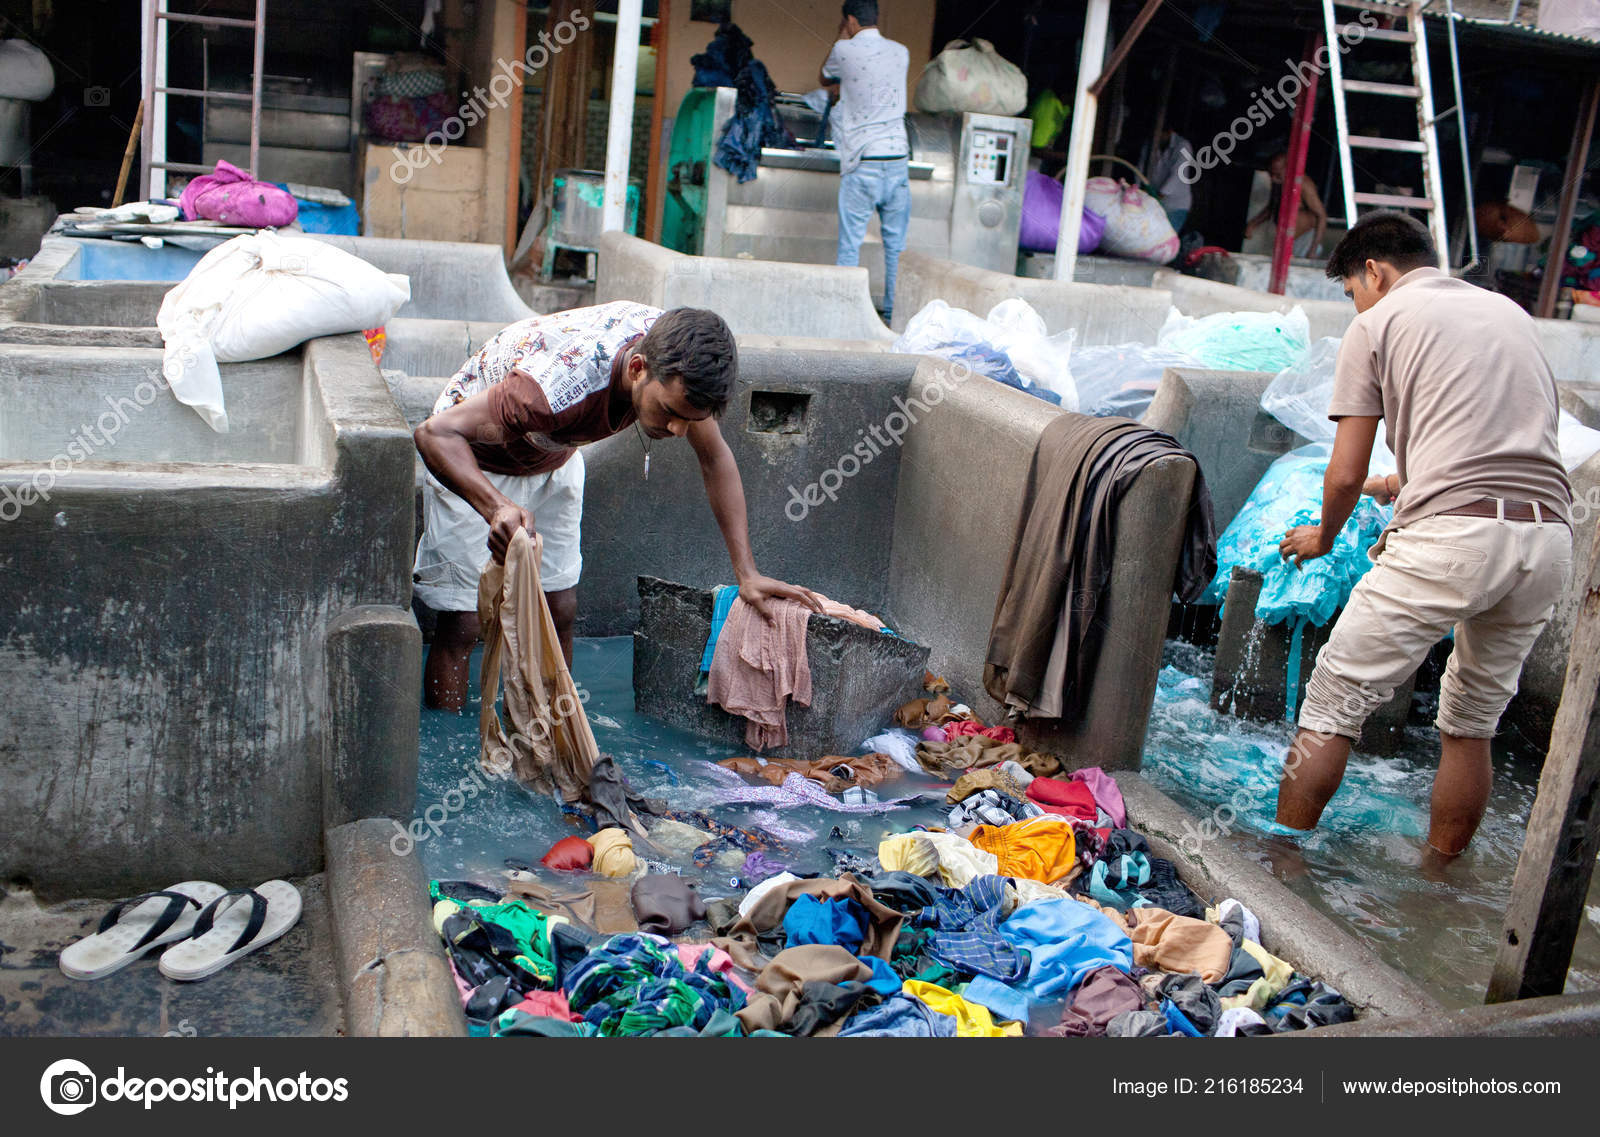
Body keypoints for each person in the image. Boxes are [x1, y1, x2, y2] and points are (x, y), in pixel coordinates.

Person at [1274, 211, 1572, 858]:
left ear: (1374, 272)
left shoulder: (1377, 323)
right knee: (1472, 723)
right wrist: (1394, 485)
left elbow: (1342, 472)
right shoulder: (1509, 314)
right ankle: (1439, 880)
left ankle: (1276, 865)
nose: (1356, 305)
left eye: (1351, 290)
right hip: (1548, 535)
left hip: (1451, 539)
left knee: (1333, 703)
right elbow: (1486, 441)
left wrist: (1324, 535)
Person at [413, 301, 823, 711]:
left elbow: (715, 459)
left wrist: (747, 573)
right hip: (474, 458)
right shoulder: (549, 390)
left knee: (559, 610)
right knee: (464, 621)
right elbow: (434, 434)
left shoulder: (681, 358)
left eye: (689, 419)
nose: (679, 430)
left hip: (552, 454)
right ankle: (451, 738)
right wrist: (495, 507)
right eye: (670, 413)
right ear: (637, 368)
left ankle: (548, 733)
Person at [820, 0, 910, 324]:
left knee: (850, 246)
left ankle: (844, 317)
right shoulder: (901, 52)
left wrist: (841, 35)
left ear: (851, 20)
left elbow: (824, 77)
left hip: (863, 160)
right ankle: (893, 316)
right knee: (895, 247)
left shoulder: (843, 49)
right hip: (898, 158)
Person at [1243, 151, 1327, 258]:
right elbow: (1272, 207)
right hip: (1286, 241)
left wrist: (1313, 249)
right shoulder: (1279, 182)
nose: (1273, 178)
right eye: (1271, 174)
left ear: (1289, 169)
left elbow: (1321, 216)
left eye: (1277, 174)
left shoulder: (1304, 185)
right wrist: (1253, 224)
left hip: (1306, 242)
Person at [1147, 127, 1193, 232]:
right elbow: (1140, 168)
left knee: (1166, 236)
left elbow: (1177, 175)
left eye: (1160, 134)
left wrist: (1157, 196)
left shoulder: (1183, 146)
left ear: (1169, 131)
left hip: (1175, 205)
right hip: (1154, 202)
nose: (1156, 137)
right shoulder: (1150, 144)